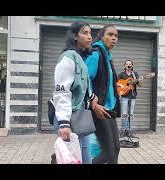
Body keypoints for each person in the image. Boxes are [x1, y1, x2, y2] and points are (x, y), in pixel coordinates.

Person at [51, 21, 97, 164]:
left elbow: (81, 87)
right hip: (70, 120)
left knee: (81, 158)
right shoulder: (68, 58)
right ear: (74, 36)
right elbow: (62, 91)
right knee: (74, 159)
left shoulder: (79, 58)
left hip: (79, 119)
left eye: (90, 33)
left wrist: (92, 96)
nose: (89, 37)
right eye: (85, 33)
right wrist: (64, 123)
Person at [85, 25, 121, 164]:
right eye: (110, 34)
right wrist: (93, 103)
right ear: (101, 36)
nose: (114, 38)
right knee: (109, 153)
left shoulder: (107, 56)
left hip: (109, 110)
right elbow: (85, 79)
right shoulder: (96, 54)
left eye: (116, 36)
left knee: (115, 148)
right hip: (99, 110)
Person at [117, 59, 141, 137]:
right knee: (124, 114)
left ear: (132, 65)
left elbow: (139, 84)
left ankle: (130, 131)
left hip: (133, 96)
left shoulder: (135, 74)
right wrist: (121, 85)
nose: (128, 65)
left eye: (130, 64)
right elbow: (116, 82)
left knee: (131, 114)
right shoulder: (121, 74)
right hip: (124, 96)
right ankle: (123, 130)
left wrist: (138, 80)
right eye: (127, 64)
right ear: (125, 65)